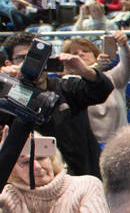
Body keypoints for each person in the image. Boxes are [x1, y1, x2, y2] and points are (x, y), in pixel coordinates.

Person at [0, 33, 113, 179]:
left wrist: (85, 71)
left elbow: (102, 90)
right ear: (9, 64)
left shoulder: (66, 88)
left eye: (39, 57)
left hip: (79, 178)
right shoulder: (5, 97)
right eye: (23, 58)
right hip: (28, 182)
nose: (33, 63)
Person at [68, 31, 130, 151]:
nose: (81, 54)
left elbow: (127, 64)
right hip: (87, 148)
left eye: (86, 51)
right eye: (75, 53)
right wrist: (95, 69)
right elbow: (79, 82)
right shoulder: (68, 83)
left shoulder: (113, 78)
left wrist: (123, 46)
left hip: (120, 144)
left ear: (95, 54)